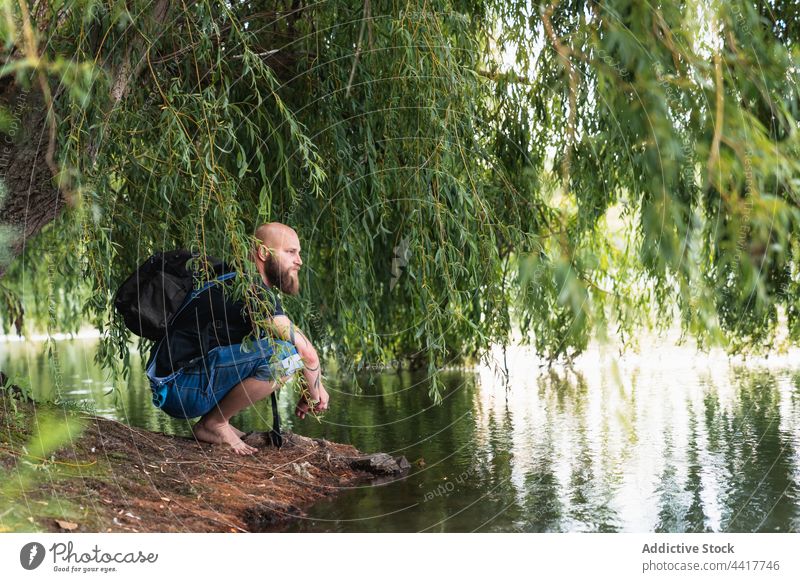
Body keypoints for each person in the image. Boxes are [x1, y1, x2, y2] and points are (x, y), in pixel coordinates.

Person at [144, 222, 329, 455]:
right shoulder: (251, 289)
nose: (299, 260)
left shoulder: (233, 277)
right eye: (291, 252)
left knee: (279, 352)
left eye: (299, 253)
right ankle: (213, 424)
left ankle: (216, 420)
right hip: (181, 387)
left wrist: (312, 382)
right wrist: (315, 395)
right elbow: (306, 353)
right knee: (285, 355)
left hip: (175, 383)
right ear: (264, 253)